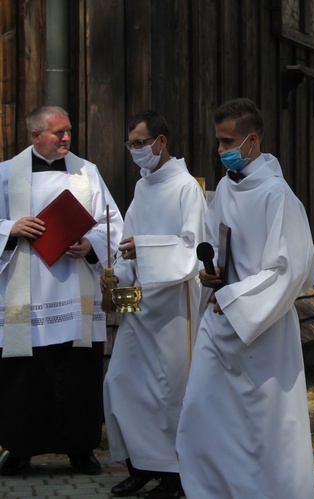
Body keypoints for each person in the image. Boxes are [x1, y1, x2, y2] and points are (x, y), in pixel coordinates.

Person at [175, 98, 314, 498]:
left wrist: (236, 297)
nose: (221, 151)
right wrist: (211, 272)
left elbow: (293, 270)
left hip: (263, 330)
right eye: (218, 143)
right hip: (220, 322)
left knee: (262, 428)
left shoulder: (279, 197)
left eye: (227, 142)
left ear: (252, 140)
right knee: (204, 414)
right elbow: (213, 243)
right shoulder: (224, 187)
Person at [0, 105, 123, 475]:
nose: (67, 137)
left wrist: (91, 245)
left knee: (77, 373)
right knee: (26, 375)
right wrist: (11, 228)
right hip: (27, 294)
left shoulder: (88, 172)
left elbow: (111, 223)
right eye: (58, 132)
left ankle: (81, 449)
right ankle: (20, 449)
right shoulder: (6, 174)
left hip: (74, 290)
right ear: (35, 136)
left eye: (69, 130)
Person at [101, 110, 206, 498]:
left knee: (167, 392)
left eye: (140, 143)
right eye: (130, 144)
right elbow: (127, 248)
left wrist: (141, 251)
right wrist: (117, 274)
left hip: (175, 311)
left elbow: (193, 250)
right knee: (121, 383)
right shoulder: (143, 188)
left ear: (161, 143)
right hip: (140, 308)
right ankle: (140, 466)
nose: (134, 150)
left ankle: (175, 476)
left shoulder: (185, 187)